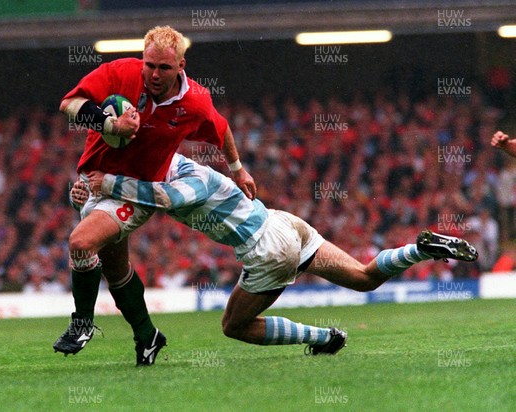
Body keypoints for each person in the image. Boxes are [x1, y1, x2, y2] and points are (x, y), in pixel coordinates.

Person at [72, 153, 478, 355]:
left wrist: (104, 184)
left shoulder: (187, 175)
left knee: (234, 325)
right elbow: (123, 208)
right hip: (285, 225)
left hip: (268, 249)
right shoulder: (160, 169)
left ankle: (325, 336)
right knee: (364, 278)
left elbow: (161, 197)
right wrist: (87, 197)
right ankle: (420, 249)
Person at [53, 26, 256, 366]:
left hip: (135, 191)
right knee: (116, 272)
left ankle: (82, 324)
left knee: (81, 243)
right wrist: (108, 124)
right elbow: (69, 104)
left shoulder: (194, 102)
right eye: (149, 65)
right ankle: (148, 336)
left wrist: (238, 169)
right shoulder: (121, 73)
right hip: (96, 182)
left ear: (181, 65)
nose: (154, 74)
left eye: (164, 67)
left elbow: (221, 129)